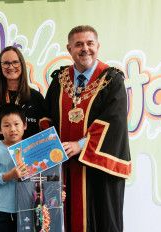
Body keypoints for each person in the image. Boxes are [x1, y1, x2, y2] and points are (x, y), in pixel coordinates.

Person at [43, 25, 132, 232]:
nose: (85, 49)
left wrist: (81, 145)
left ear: (98, 46)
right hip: (65, 167)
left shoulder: (111, 80)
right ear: (69, 48)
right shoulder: (59, 80)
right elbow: (46, 117)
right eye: (79, 44)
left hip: (99, 170)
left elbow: (114, 122)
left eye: (90, 43)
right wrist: (53, 146)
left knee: (103, 221)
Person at [0, 46, 46, 212]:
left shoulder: (35, 98)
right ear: (0, 67)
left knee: (30, 217)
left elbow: (45, 135)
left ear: (21, 64)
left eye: (15, 62)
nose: (10, 66)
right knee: (0, 216)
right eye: (5, 63)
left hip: (29, 166)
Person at [0, 103, 29, 232]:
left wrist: (56, 192)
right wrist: (10, 175)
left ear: (24, 125)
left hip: (28, 208)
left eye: (16, 124)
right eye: (6, 125)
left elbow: (41, 176)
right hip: (2, 211)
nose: (13, 129)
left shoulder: (31, 147)